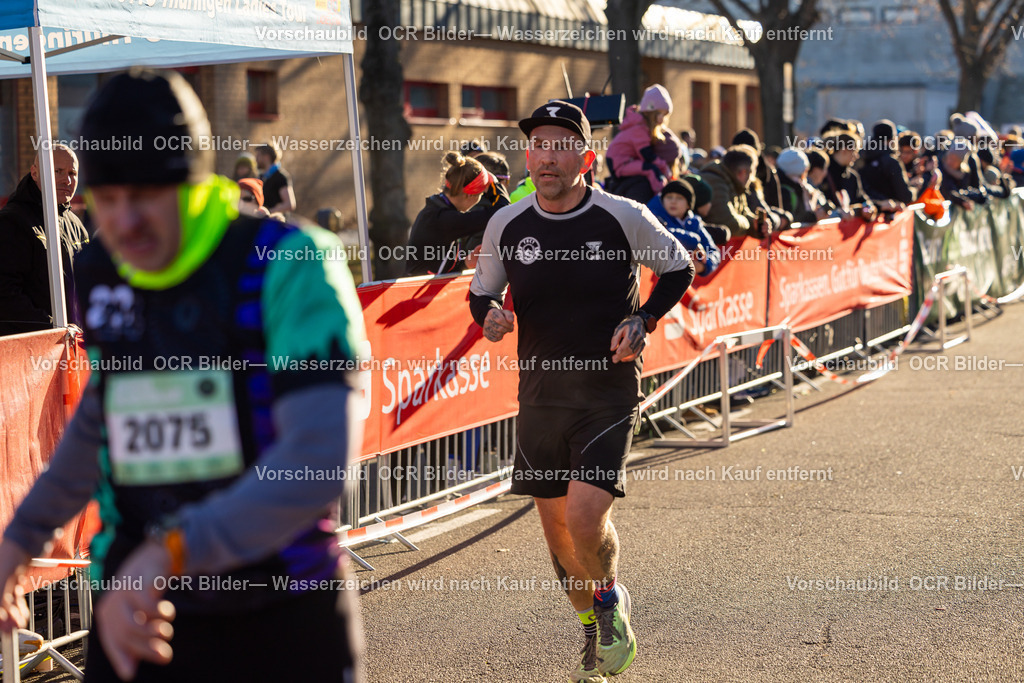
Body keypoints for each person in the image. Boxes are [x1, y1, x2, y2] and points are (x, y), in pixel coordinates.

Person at [0, 69, 365, 682]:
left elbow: (320, 461)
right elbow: (100, 422)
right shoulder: (102, 269)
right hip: (142, 613)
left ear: (195, 186)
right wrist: (21, 537)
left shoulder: (289, 263)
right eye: (105, 201)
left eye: (145, 197)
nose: (124, 224)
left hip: (278, 610)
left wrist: (169, 551)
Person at [469, 100, 694, 682]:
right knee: (558, 535)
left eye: (559, 144)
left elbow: (677, 268)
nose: (546, 155)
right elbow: (482, 291)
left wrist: (642, 319)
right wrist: (489, 315)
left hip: (607, 391)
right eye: (537, 144)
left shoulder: (621, 215)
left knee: (585, 516)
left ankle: (610, 600)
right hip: (541, 394)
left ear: (586, 157)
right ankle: (592, 629)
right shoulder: (507, 223)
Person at [0, 143, 89, 335]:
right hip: (28, 352)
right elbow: (6, 294)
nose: (67, 180)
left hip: (74, 346)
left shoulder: (76, 225)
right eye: (57, 171)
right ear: (35, 173)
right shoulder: (12, 221)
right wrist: (53, 330)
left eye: (72, 173)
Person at [404, 151, 509, 276]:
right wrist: (495, 183)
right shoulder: (443, 219)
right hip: (417, 292)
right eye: (481, 194)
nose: (481, 198)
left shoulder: (437, 209)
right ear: (470, 195)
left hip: (423, 290)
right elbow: (502, 212)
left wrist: (466, 263)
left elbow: (440, 270)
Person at [605, 84, 683, 203]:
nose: (662, 118)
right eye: (659, 114)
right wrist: (663, 166)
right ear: (650, 112)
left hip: (625, 161)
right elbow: (646, 154)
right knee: (651, 169)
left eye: (664, 114)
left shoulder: (641, 126)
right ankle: (660, 195)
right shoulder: (639, 129)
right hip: (621, 163)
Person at [647, 179, 721, 276]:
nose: (673, 201)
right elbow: (658, 233)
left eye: (679, 198)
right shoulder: (652, 216)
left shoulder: (694, 222)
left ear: (688, 205)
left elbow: (714, 251)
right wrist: (693, 241)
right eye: (669, 197)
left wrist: (704, 265)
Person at [699, 144, 771, 239]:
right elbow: (728, 223)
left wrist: (756, 224)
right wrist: (750, 224)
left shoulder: (733, 182)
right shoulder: (715, 181)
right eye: (751, 173)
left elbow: (743, 212)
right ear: (743, 172)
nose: (752, 179)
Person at [859, 119, 915, 212]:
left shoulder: (860, 156)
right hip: (886, 214)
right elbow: (905, 196)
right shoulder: (891, 161)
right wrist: (915, 188)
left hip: (866, 212)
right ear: (892, 139)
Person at [775, 148, 832, 225]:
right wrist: (814, 217)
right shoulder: (788, 190)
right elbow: (791, 218)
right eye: (806, 170)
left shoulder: (799, 187)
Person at [255, 142, 296, 214]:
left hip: (276, 222)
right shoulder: (261, 177)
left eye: (258, 155)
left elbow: (289, 204)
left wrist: (268, 212)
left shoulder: (280, 177)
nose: (256, 159)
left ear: (266, 157)